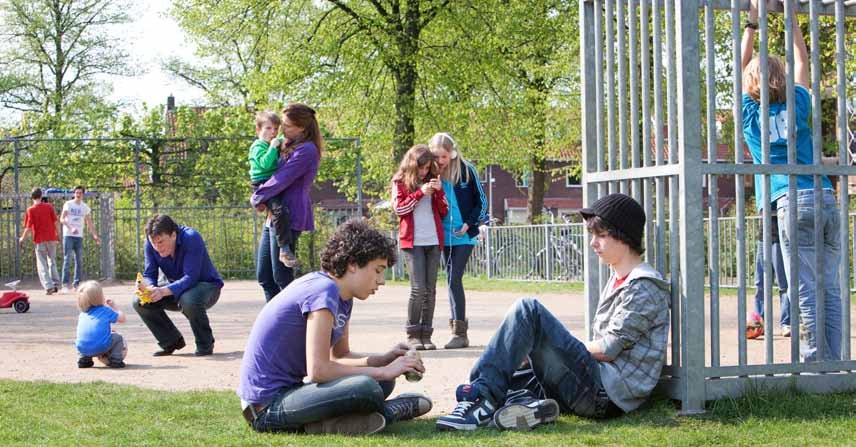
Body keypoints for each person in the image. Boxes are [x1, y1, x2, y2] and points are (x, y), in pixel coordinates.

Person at [436, 194, 670, 431]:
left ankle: (481, 401)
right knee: (512, 366)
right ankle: (528, 404)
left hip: (606, 394)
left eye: (601, 235)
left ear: (624, 236)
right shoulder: (620, 279)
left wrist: (548, 342)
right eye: (592, 235)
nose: (593, 243)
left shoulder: (644, 287)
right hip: (595, 385)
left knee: (528, 310)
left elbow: (609, 349)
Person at [237, 219, 431, 435]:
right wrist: (383, 371)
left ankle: (330, 424)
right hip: (266, 409)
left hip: (293, 393)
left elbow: (340, 355)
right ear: (352, 264)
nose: (382, 280)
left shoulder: (343, 297)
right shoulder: (324, 290)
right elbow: (319, 370)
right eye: (378, 270)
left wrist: (383, 360)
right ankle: (389, 412)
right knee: (367, 387)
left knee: (382, 383)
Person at [741, 0, 840, 361]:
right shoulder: (799, 101)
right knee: (831, 287)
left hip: (788, 200)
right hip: (825, 195)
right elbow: (802, 60)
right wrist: (791, 16)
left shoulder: (751, 115)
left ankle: (816, 362)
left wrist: (753, 23)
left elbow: (741, 67)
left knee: (805, 287)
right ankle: (835, 359)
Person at [251, 103, 322, 302]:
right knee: (265, 277)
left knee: (282, 277)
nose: (282, 130)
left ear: (302, 128)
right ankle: (274, 322)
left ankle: (297, 321)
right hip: (273, 214)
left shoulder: (307, 150)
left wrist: (257, 196)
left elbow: (282, 178)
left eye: (287, 125)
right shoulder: (287, 144)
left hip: (288, 214)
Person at [133, 214, 224, 357]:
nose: (157, 247)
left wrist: (162, 291)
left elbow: (191, 278)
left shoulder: (191, 238)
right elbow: (149, 274)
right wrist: (149, 288)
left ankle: (205, 344)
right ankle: (171, 341)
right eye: (153, 243)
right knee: (139, 301)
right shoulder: (150, 244)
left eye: (161, 242)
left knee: (188, 299)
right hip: (175, 288)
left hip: (207, 286)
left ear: (173, 235)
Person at [428, 132, 488, 349]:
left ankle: (460, 333)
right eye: (436, 156)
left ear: (452, 154)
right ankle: (446, 330)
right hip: (442, 234)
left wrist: (469, 223)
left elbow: (481, 201)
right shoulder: (431, 172)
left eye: (443, 157)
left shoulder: (466, 170)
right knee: (448, 279)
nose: (440, 161)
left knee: (454, 278)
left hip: (464, 234)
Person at [392, 144, 449, 350]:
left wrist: (440, 193)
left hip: (433, 240)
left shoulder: (433, 181)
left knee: (431, 290)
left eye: (427, 168)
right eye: (421, 168)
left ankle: (427, 334)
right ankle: (413, 334)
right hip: (412, 241)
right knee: (418, 289)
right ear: (413, 165)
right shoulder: (400, 182)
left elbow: (444, 211)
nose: (424, 172)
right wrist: (419, 194)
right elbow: (400, 209)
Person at [248, 110, 297, 267]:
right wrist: (273, 147)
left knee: (284, 210)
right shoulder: (258, 146)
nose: (273, 132)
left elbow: (287, 139)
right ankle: (284, 249)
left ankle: (259, 202)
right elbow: (265, 164)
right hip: (262, 183)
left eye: (276, 129)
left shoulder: (272, 142)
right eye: (268, 128)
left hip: (273, 183)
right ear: (258, 130)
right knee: (279, 211)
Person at [746, 215, 790, 340]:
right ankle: (760, 322)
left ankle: (786, 323)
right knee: (760, 283)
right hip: (763, 238)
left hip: (779, 238)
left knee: (784, 284)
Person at [75, 281, 127, 369]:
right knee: (118, 338)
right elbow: (122, 319)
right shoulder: (105, 310)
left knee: (84, 338)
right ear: (99, 297)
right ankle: (116, 360)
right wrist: (115, 307)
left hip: (82, 347)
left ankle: (84, 360)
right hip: (102, 347)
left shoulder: (82, 314)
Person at [19, 188, 60, 295]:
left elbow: (28, 227)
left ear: (31, 197)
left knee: (42, 264)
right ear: (41, 196)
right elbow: (56, 222)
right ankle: (56, 283)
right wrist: (58, 235)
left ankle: (48, 286)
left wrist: (22, 238)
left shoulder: (30, 210)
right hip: (51, 237)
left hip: (39, 239)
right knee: (52, 261)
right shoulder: (49, 206)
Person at [60, 185, 100, 293]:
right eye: (76, 193)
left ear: (83, 194)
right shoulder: (68, 204)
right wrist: (71, 228)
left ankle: (76, 284)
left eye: (80, 193)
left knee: (79, 260)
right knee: (67, 259)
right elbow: (62, 219)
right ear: (74, 194)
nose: (78, 195)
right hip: (68, 235)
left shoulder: (84, 207)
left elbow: (89, 222)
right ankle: (64, 284)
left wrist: (95, 235)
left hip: (79, 236)